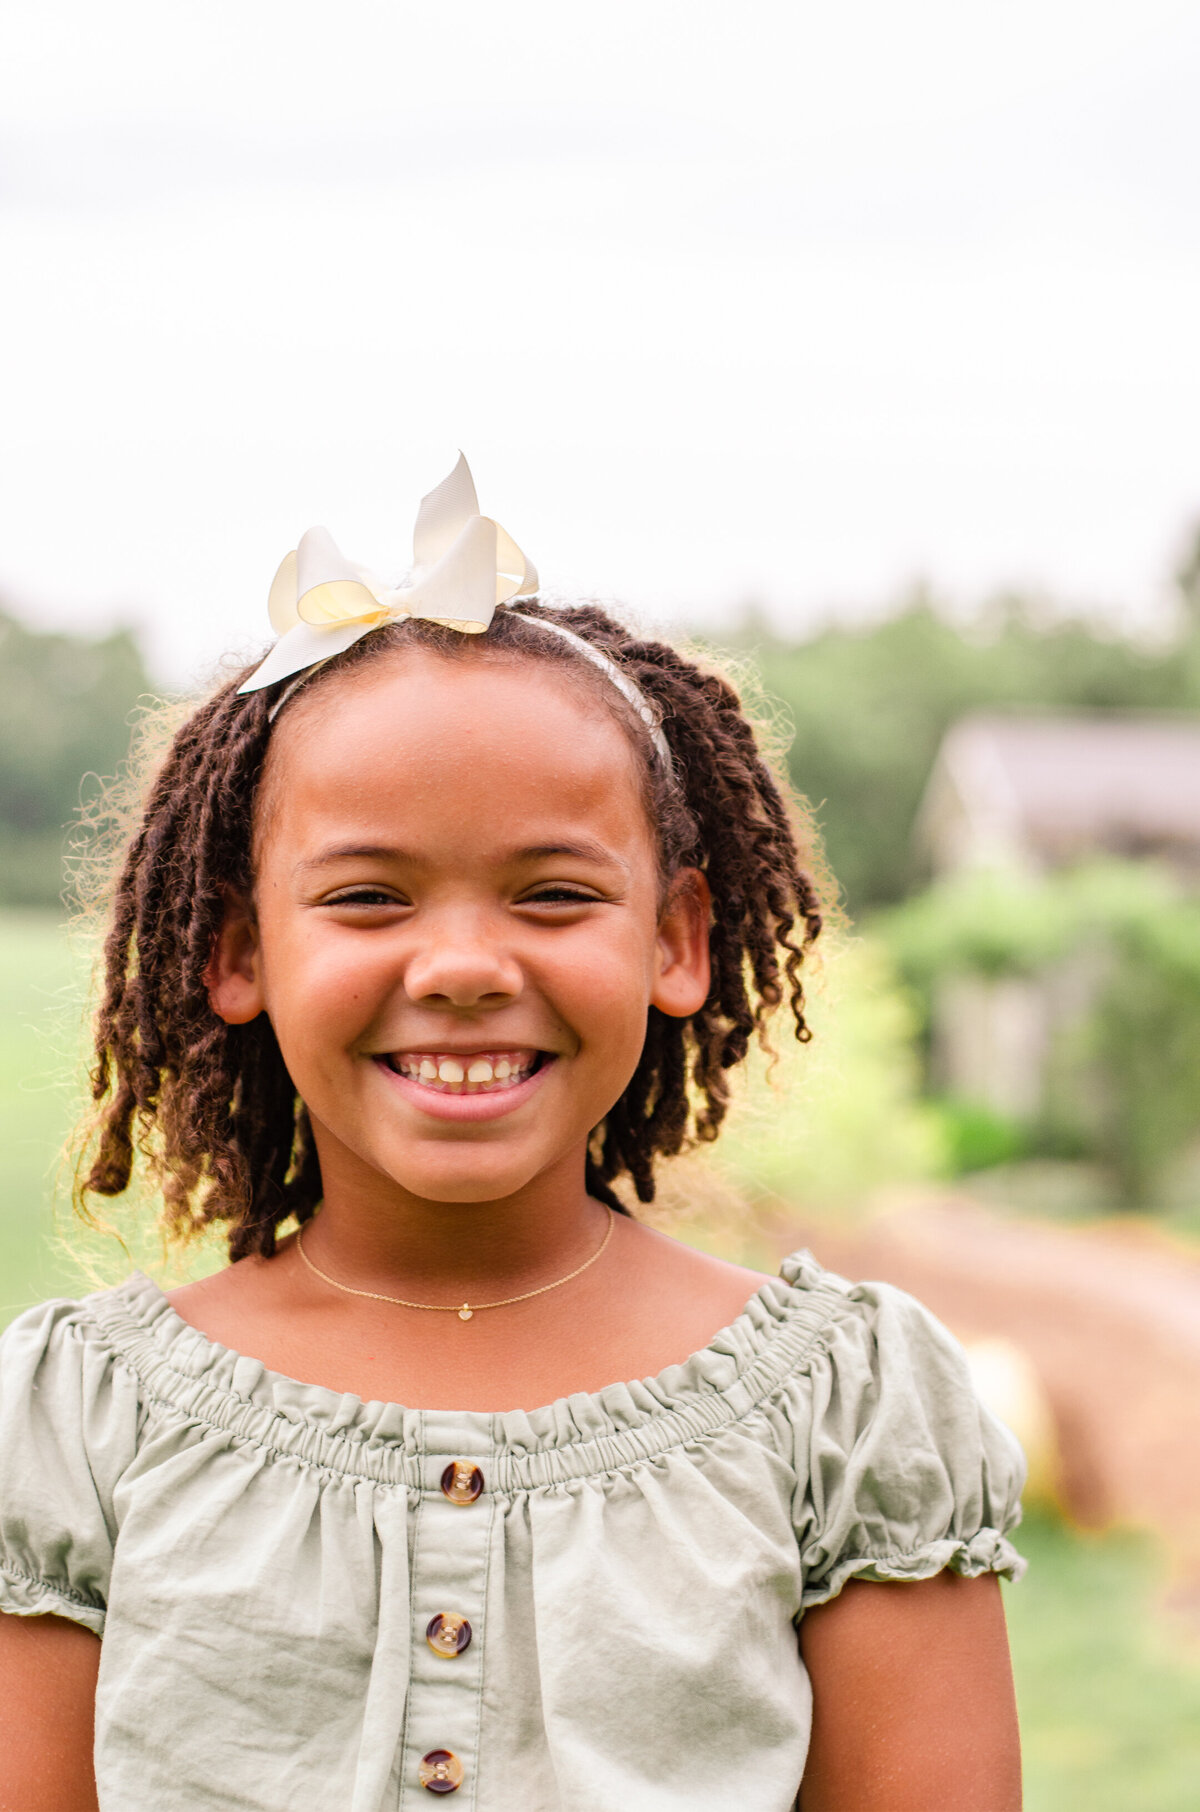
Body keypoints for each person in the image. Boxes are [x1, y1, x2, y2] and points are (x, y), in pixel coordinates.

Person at [0, 458, 1025, 1811]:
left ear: (677, 941)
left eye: (552, 895)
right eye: (370, 898)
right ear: (240, 952)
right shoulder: (80, 1430)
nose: (465, 966)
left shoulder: (843, 1415)